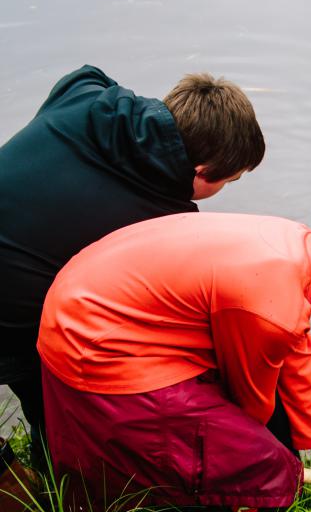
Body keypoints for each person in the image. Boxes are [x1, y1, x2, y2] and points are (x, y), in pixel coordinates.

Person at [36, 168, 311, 512]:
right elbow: (250, 402)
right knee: (263, 462)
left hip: (83, 302)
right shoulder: (271, 307)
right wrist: (267, 459)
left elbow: (295, 346)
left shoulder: (290, 243)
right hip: (93, 345)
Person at [0, 64, 264, 478]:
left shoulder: (83, 94)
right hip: (10, 318)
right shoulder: (161, 222)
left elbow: (91, 74)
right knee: (52, 409)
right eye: (228, 180)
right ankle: (53, 501)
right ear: (201, 175)